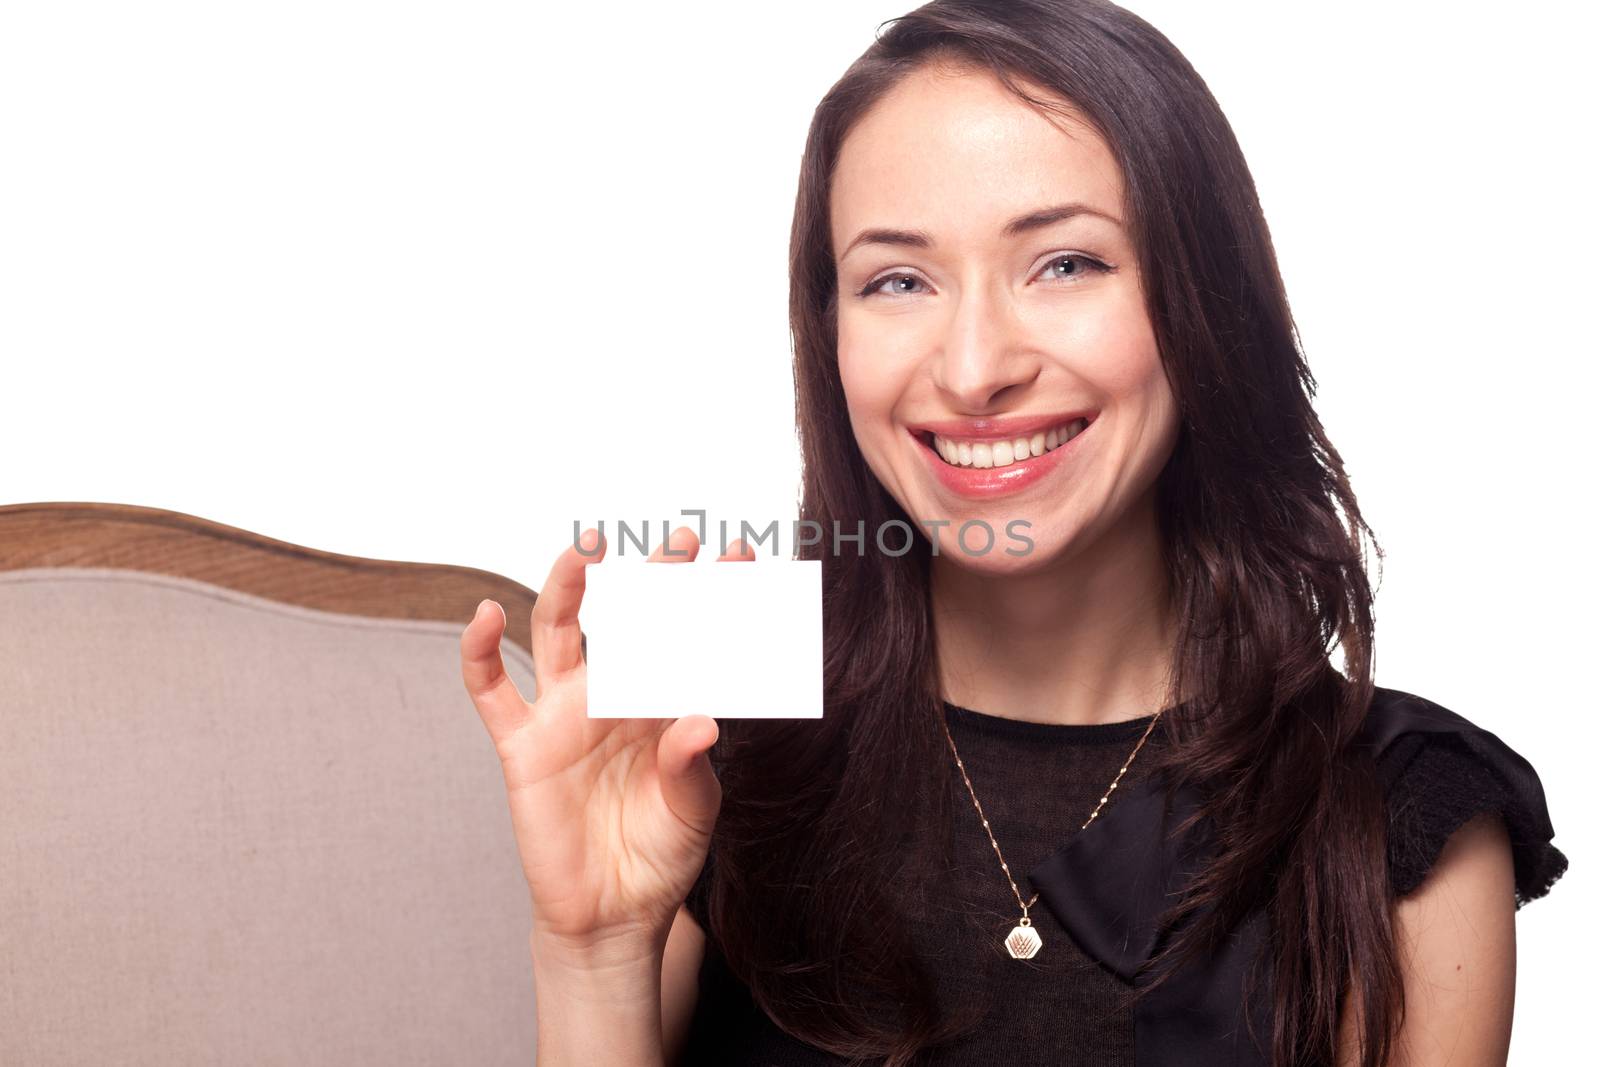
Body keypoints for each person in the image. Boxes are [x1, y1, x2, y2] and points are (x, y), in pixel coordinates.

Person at [459, 1, 1569, 1064]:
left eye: (1065, 262)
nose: (975, 366)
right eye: (897, 279)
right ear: (828, 330)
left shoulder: (1397, 813)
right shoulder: (717, 748)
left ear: (1200, 295)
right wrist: (593, 952)